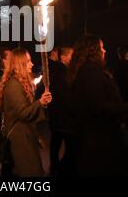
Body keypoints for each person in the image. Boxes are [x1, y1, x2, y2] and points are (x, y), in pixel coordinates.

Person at [68, 35, 128, 176]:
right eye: (101, 47)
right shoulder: (90, 72)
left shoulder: (87, 70)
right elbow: (99, 106)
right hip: (100, 140)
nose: (105, 51)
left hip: (96, 137)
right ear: (92, 51)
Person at [0, 48, 52, 177]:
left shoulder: (19, 83)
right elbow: (23, 113)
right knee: (28, 172)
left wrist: (42, 103)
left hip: (25, 135)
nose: (32, 64)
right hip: (20, 139)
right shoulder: (14, 85)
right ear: (20, 64)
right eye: (28, 61)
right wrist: (40, 103)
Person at [48, 46, 74, 176]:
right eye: (71, 55)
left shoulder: (59, 70)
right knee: (69, 145)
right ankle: (60, 167)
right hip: (63, 116)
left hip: (58, 116)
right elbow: (66, 95)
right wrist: (76, 108)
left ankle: (55, 166)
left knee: (56, 143)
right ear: (63, 57)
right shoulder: (61, 72)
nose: (73, 58)